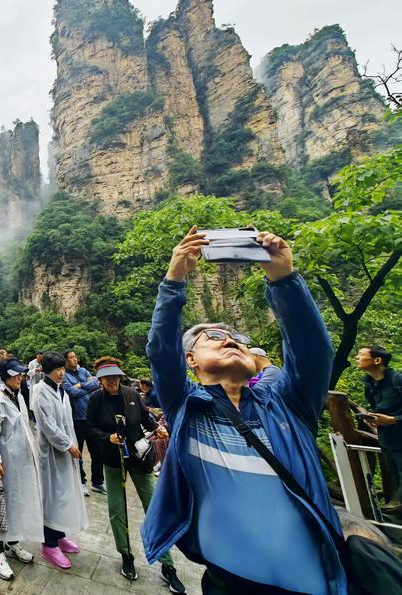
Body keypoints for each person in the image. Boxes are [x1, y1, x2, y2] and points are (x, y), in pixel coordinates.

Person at [142, 227, 347, 595]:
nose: (232, 341)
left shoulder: (287, 403)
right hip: (226, 581)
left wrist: (284, 277)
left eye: (239, 339)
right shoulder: (187, 406)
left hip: (312, 582)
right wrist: (174, 280)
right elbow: (161, 352)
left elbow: (313, 351)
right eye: (215, 338)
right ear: (191, 360)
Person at [86, 363, 185, 592]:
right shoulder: (95, 400)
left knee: (153, 506)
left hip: (139, 457)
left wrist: (157, 428)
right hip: (113, 459)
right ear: (100, 380)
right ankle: (126, 554)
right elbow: (90, 427)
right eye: (107, 379)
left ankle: (167, 565)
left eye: (116, 378)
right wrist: (106, 437)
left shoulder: (131, 393)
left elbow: (145, 418)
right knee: (116, 508)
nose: (112, 382)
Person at [0, 359, 43, 582]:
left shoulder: (17, 395)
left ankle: (13, 542)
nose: (20, 377)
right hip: (4, 464)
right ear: (5, 376)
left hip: (20, 462)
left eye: (21, 374)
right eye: (16, 374)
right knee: (1, 506)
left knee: (17, 501)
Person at [31, 351, 88, 570]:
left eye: (62, 369)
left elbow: (67, 422)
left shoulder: (60, 391)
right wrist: (67, 445)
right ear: (47, 371)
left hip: (67, 452)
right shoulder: (40, 391)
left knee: (65, 496)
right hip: (52, 454)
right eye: (57, 370)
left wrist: (71, 444)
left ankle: (60, 534)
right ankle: (49, 543)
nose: (61, 373)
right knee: (53, 497)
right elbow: (47, 426)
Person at [357, 345, 402, 509]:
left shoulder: (398, 380)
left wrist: (393, 419)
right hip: (387, 439)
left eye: (362, 354)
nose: (357, 357)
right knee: (394, 477)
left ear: (377, 360)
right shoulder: (369, 385)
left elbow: (392, 415)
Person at [61, 349, 104, 495]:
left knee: (97, 451)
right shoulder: (64, 375)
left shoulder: (83, 370)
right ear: (66, 361)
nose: (75, 359)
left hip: (92, 418)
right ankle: (81, 482)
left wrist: (80, 385)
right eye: (71, 358)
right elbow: (71, 393)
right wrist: (87, 385)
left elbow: (97, 384)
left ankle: (98, 482)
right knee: (77, 453)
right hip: (76, 419)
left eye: (75, 357)